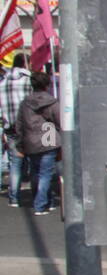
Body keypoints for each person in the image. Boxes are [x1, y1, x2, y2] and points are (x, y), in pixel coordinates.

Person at [16, 70, 59, 216]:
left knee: (35, 172)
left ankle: (46, 200)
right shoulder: (52, 102)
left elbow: (19, 125)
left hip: (30, 141)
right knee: (46, 173)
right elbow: (60, 122)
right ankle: (41, 204)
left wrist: (19, 145)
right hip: (49, 139)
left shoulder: (25, 103)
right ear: (47, 85)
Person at [1, 52, 31, 206]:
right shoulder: (28, 81)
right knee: (35, 160)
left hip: (10, 127)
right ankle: (39, 196)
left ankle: (14, 198)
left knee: (15, 163)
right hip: (29, 126)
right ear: (25, 64)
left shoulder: (2, 83)